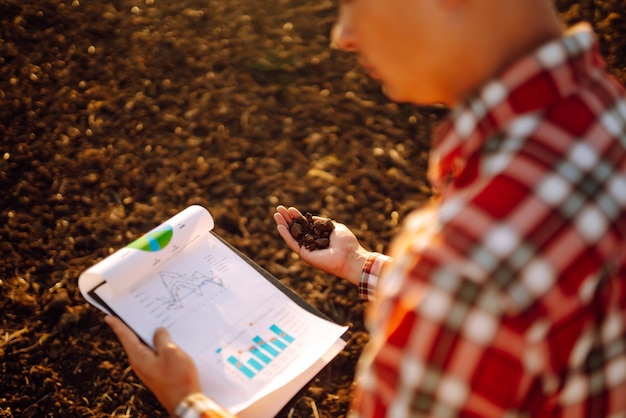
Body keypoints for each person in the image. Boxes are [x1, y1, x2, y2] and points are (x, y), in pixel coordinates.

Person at [106, 0, 626, 416]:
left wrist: (188, 402)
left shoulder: (469, 259)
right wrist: (361, 267)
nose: (343, 35)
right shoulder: (605, 118)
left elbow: (479, 289)